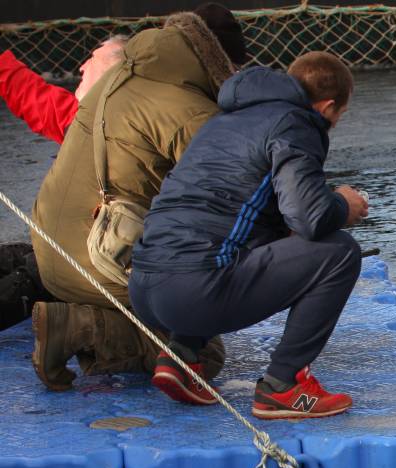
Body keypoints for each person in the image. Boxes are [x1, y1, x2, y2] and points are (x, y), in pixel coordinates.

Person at [130, 51, 367, 420]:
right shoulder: (297, 123)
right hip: (195, 292)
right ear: (328, 106)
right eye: (339, 116)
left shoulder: (224, 121)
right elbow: (310, 217)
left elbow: (240, 213)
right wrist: (342, 204)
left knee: (230, 239)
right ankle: (283, 386)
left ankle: (181, 358)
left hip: (144, 288)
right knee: (340, 252)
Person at [28, 6, 247, 391]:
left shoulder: (117, 75)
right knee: (199, 353)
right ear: (220, 65)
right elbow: (242, 193)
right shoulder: (190, 110)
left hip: (50, 249)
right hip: (98, 261)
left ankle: (90, 323)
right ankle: (83, 330)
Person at [0, 37, 127, 331]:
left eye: (94, 58)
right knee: (14, 256)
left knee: (30, 278)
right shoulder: (85, 122)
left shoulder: (125, 137)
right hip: (68, 251)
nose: (82, 65)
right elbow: (36, 99)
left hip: (97, 266)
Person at [0, 36, 126, 145]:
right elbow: (34, 96)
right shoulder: (81, 121)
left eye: (92, 59)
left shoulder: (94, 129)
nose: (82, 67)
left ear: (113, 80)